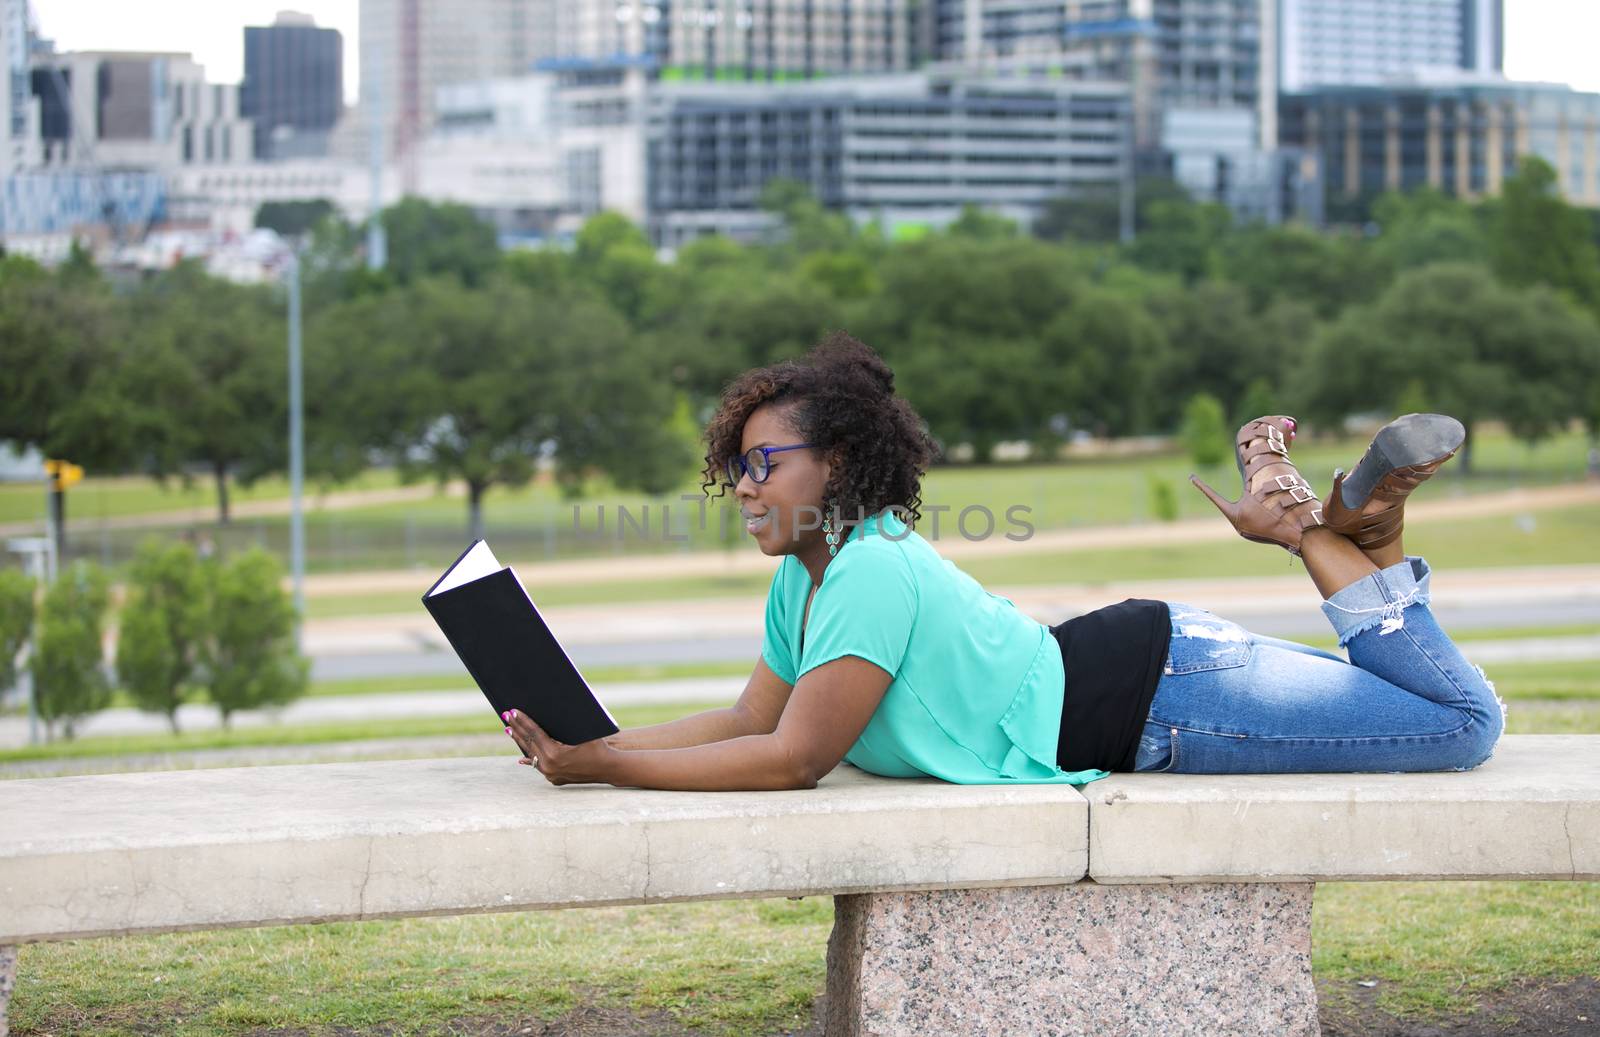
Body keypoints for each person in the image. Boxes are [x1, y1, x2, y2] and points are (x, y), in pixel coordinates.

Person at [505, 334, 1504, 787]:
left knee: (1460, 725)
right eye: (735, 466)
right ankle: (1350, 536)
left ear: (840, 461)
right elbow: (744, 721)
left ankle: (1319, 533)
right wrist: (595, 736)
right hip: (1137, 675)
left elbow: (795, 757)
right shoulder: (803, 581)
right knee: (1433, 710)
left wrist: (601, 765)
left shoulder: (867, 565)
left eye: (765, 461)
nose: (746, 485)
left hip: (1157, 691)